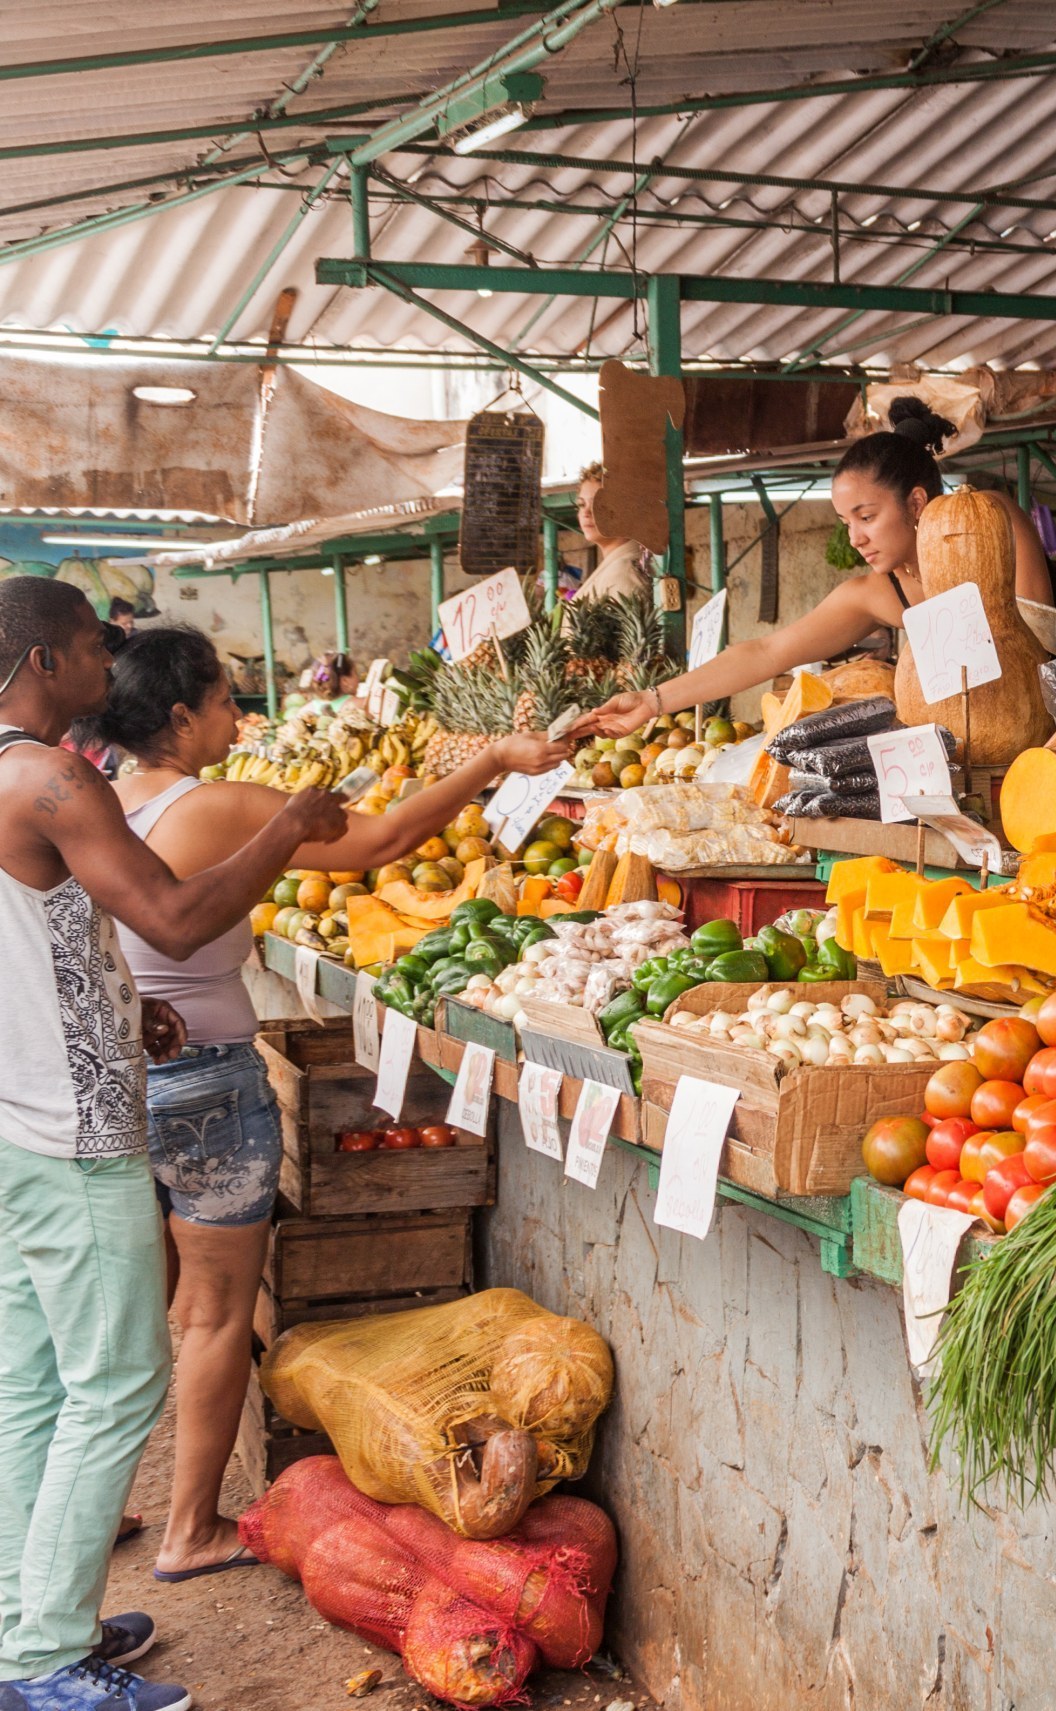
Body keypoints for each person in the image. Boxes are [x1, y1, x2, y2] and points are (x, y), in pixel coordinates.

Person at [73, 628, 569, 1590]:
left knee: (134, 1316)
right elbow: (383, 841)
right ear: (180, 715)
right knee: (214, 1317)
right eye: (224, 698)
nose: (238, 715)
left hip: (121, 1081)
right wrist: (493, 761)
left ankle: (95, 1518)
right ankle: (189, 1530)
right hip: (207, 1078)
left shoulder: (98, 804)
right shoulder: (213, 803)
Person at [0, 577, 344, 1711]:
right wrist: (289, 825)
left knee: (36, 1383)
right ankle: (43, 1661)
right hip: (75, 1125)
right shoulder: (49, 777)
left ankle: (25, 1613)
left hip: (19, 1117)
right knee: (116, 1380)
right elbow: (181, 917)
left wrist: (109, 1002)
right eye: (99, 646)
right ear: (46, 660)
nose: (114, 669)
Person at [571, 400, 1051, 740]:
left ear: (917, 501)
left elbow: (1039, 647)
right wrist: (653, 701)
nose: (856, 537)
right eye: (847, 522)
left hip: (1054, 730)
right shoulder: (876, 593)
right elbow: (765, 651)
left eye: (867, 517)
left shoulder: (988, 516)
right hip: (977, 750)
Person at [570, 462, 650, 606]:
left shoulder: (624, 572)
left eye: (598, 505)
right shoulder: (616, 565)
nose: (586, 513)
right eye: (582, 505)